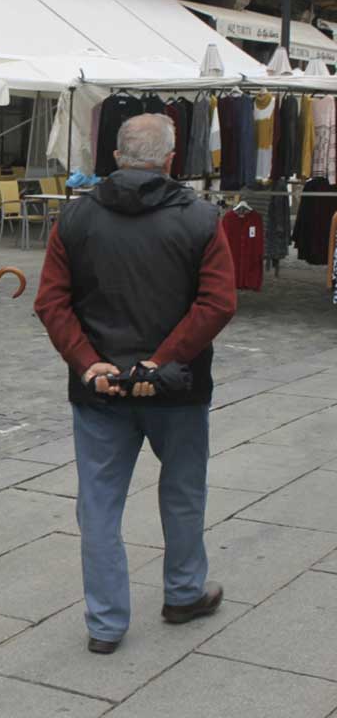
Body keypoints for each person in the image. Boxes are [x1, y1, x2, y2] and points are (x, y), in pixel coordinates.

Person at [34, 113, 237, 655]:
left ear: (117, 157)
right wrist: (162, 360)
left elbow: (51, 301)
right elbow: (218, 302)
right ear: (171, 160)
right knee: (183, 492)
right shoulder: (199, 218)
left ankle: (105, 623)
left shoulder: (76, 219)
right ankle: (184, 592)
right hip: (177, 385)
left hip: (99, 388)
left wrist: (87, 361)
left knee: (99, 506)